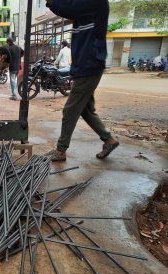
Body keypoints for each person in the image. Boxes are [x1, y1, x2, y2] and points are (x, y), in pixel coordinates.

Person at [45, 0, 119, 161]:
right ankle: (109, 139)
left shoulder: (94, 3)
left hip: (89, 66)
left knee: (70, 110)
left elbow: (68, 7)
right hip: (84, 67)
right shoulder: (83, 11)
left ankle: (60, 150)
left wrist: (51, 2)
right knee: (85, 110)